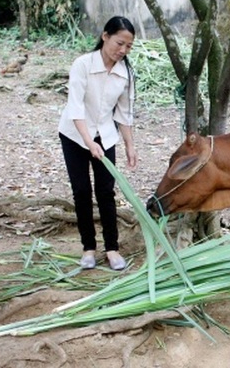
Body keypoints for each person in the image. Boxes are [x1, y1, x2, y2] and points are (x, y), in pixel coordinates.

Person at [58, 16, 138, 270]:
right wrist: (88, 142)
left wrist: (129, 145)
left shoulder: (125, 73)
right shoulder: (82, 64)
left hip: (105, 135)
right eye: (119, 43)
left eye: (128, 46)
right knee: (81, 191)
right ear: (105, 36)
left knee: (106, 191)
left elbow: (124, 113)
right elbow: (76, 108)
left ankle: (112, 248)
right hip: (74, 135)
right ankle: (88, 248)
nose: (122, 50)